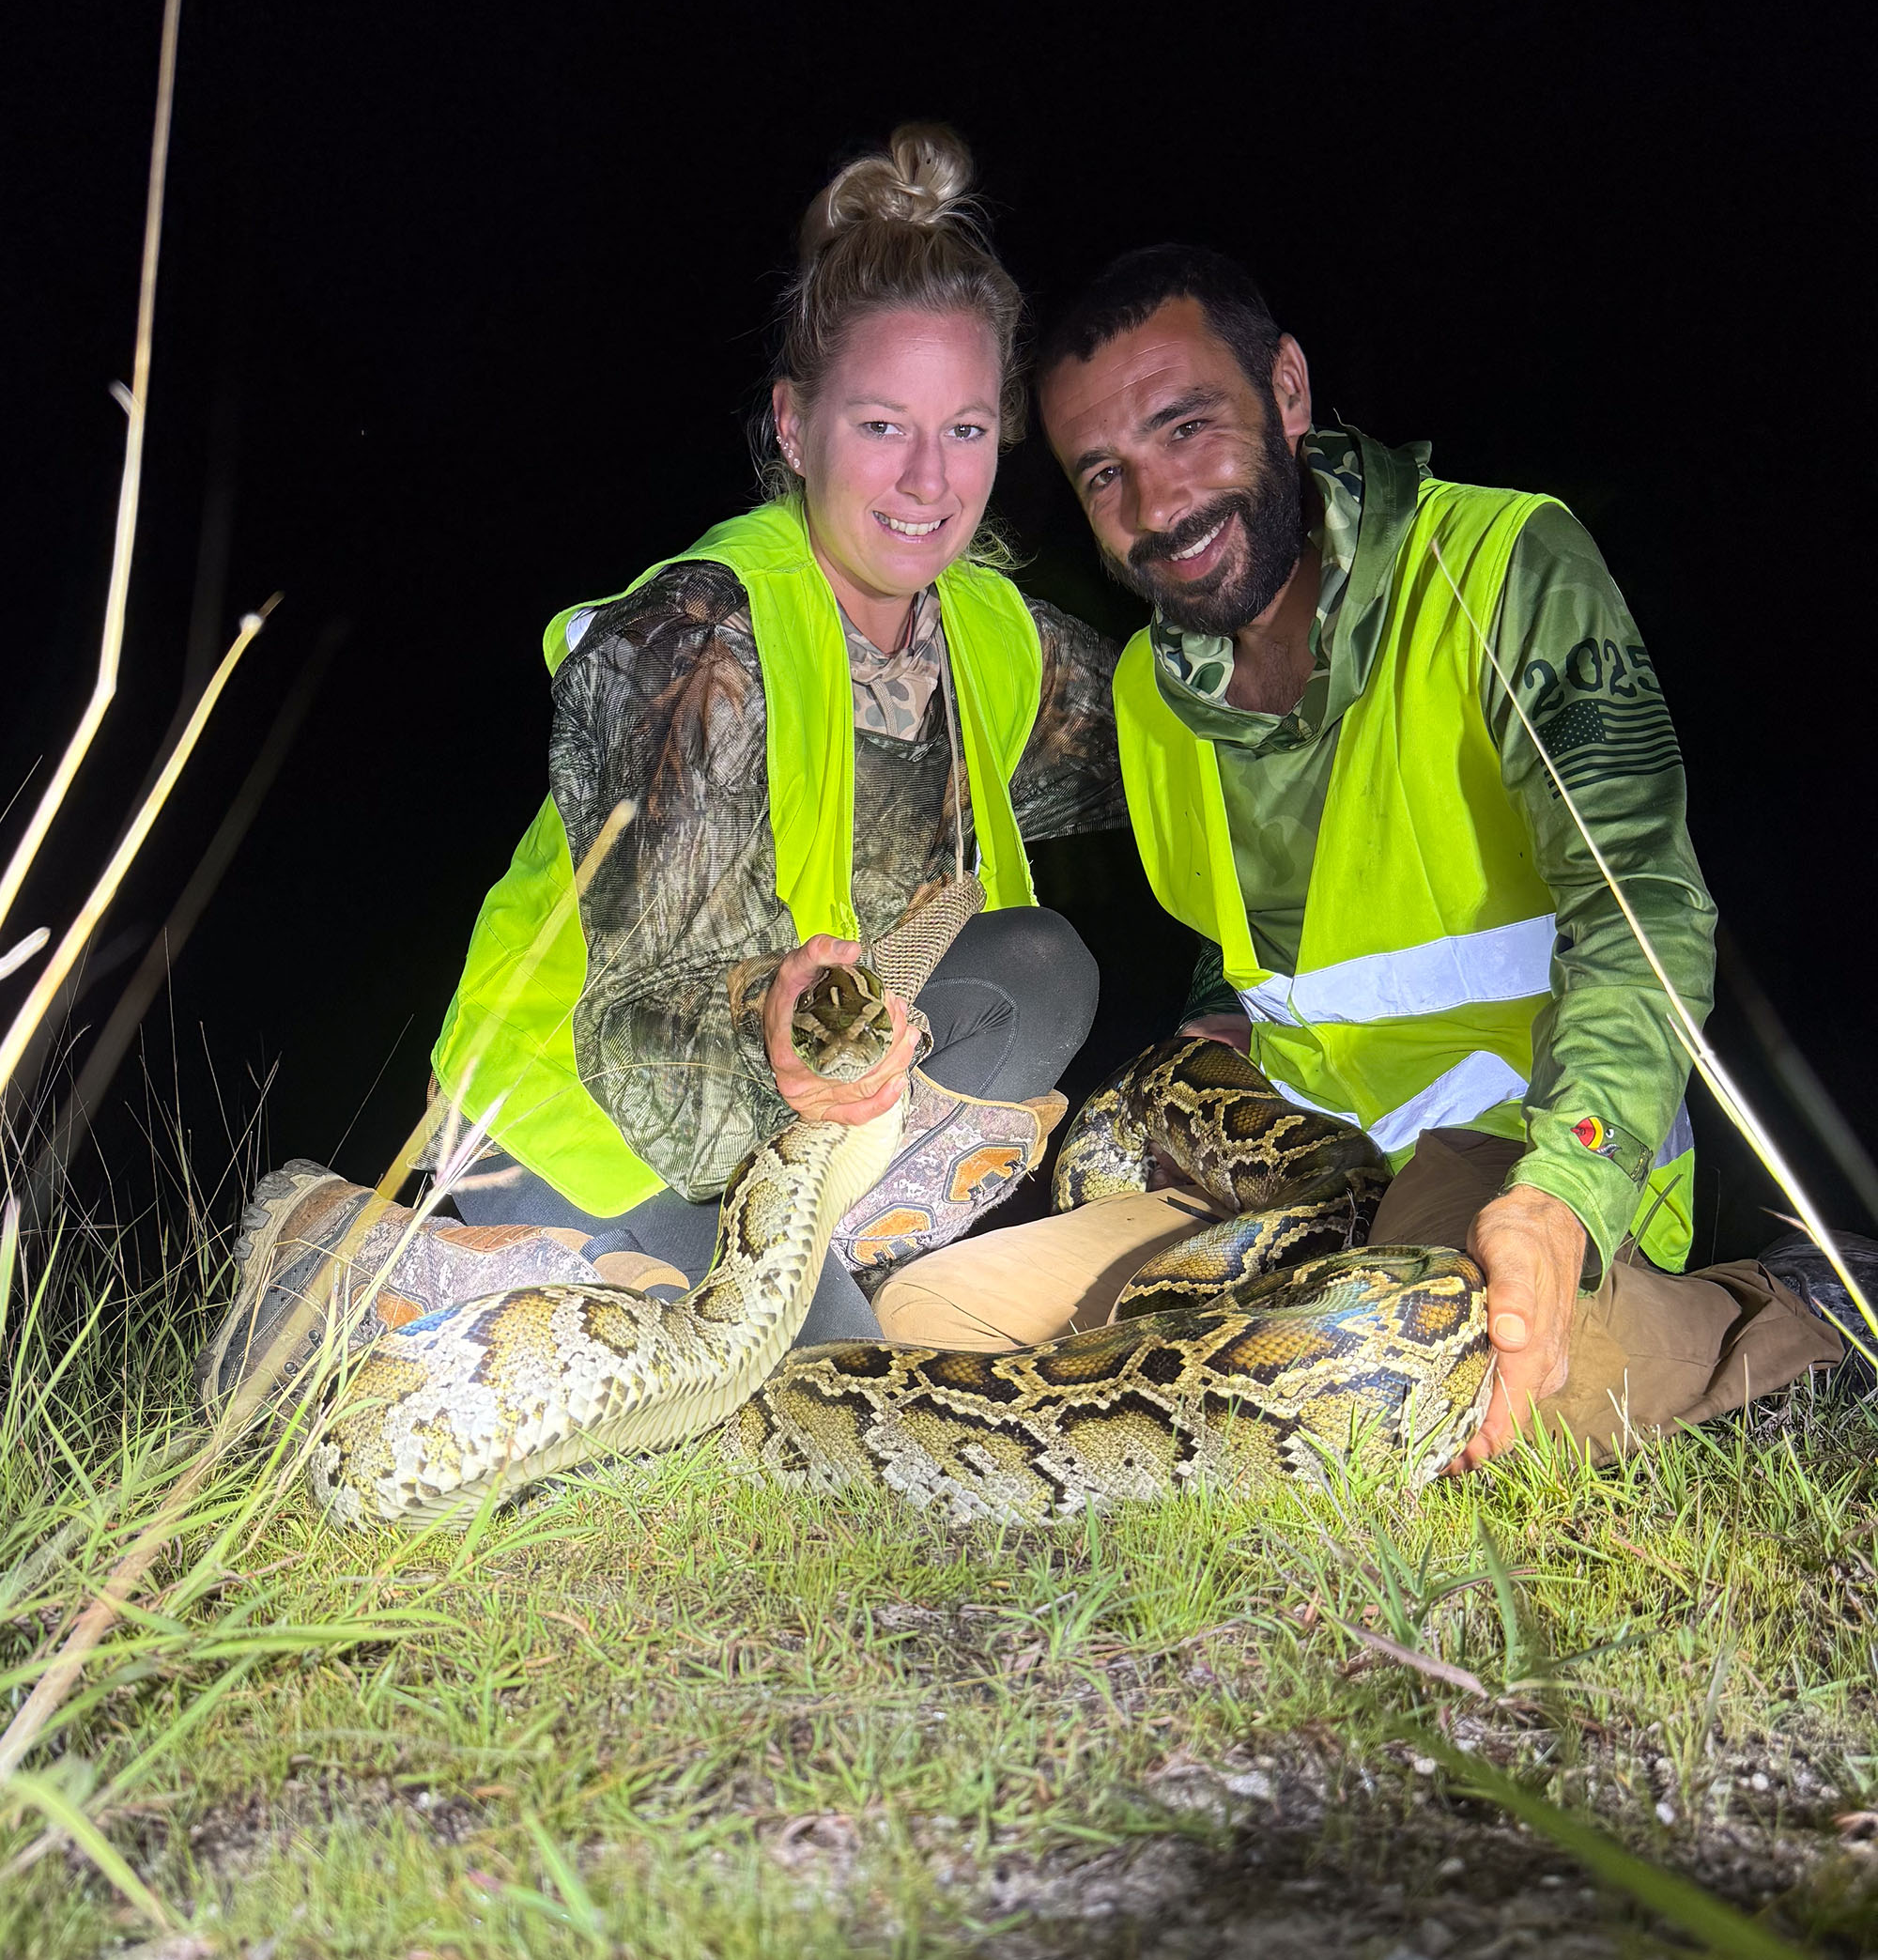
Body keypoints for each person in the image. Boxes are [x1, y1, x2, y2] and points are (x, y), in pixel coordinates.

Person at [873, 245, 1852, 1464]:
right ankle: (1276, 1361)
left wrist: (1567, 1196)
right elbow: (1246, 942)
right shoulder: (1149, 695)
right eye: (1105, 472)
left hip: (1515, 1149)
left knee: (1442, 1366)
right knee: (929, 1324)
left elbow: (1639, 907)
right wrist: (1211, 1024)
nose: (1157, 505)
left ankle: (1790, 1313)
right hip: (1295, 1172)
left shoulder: (1501, 565)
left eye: (1187, 428)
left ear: (1286, 390)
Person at [199, 128, 1124, 1414]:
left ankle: (806, 1246)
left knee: (1040, 967)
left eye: (964, 428)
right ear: (794, 427)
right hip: (597, 1105)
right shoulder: (692, 647)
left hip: (797, 1091)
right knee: (822, 1402)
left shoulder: (987, 630)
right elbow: (638, 1035)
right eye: (881, 425)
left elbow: (1164, 749)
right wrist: (775, 1031)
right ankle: (373, 1271)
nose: (929, 480)